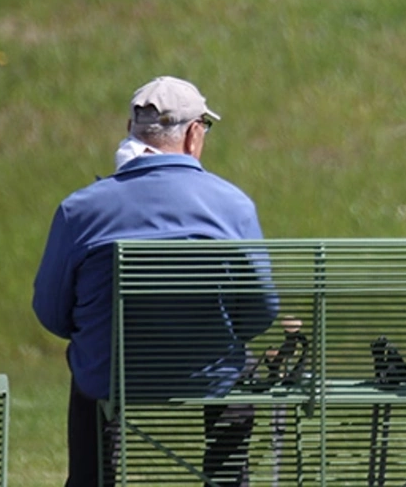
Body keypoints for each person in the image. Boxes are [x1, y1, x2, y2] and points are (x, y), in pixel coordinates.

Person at [32, 76, 278, 487]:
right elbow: (259, 313)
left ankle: (91, 479)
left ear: (131, 130)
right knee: (241, 367)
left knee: (89, 361)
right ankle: (226, 479)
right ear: (194, 134)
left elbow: (52, 313)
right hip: (208, 373)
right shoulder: (232, 207)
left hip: (111, 373)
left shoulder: (80, 210)